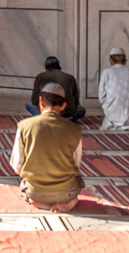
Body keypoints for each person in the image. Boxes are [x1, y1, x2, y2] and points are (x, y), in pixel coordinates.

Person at [10, 82, 83, 211]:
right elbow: (76, 165)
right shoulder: (74, 130)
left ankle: (40, 203)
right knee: (77, 182)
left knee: (24, 185)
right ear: (64, 105)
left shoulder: (24, 126)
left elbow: (17, 166)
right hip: (67, 193)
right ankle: (68, 204)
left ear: (41, 101)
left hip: (35, 192)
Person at [26, 56, 85, 123]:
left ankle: (44, 118)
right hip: (67, 115)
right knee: (81, 110)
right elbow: (76, 101)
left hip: (46, 113)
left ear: (46, 69)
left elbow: (34, 100)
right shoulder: (70, 78)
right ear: (60, 68)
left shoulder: (40, 77)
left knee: (28, 103)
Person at [98, 48, 129, 130]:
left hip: (113, 112)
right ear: (125, 61)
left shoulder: (106, 72)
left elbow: (101, 98)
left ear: (110, 61)